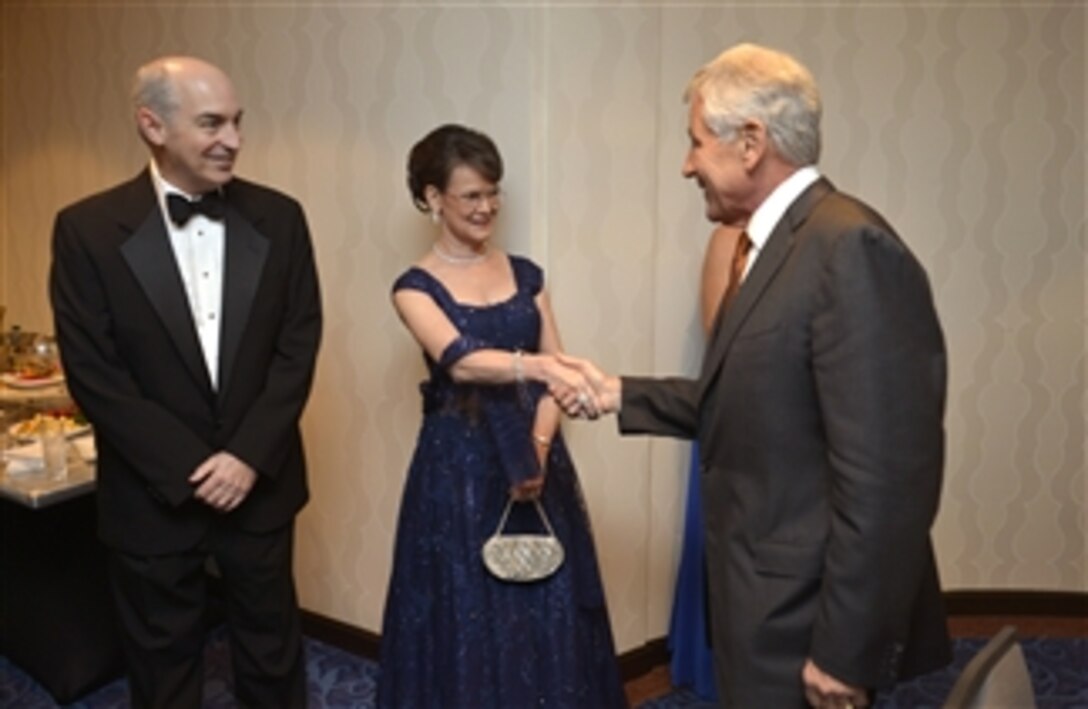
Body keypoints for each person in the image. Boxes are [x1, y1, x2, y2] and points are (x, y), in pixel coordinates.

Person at [561, 43, 951, 707]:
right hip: (758, 604)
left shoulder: (849, 247)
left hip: (807, 625)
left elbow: (888, 479)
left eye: (694, 144)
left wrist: (845, 651)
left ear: (750, 143)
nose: (687, 166)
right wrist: (619, 393)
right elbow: (756, 402)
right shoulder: (774, 245)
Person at [49, 56, 321, 708]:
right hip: (150, 493)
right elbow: (94, 371)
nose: (233, 138)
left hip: (261, 481)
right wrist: (195, 465)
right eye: (211, 122)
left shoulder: (281, 217)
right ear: (153, 125)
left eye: (236, 121)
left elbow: (298, 346)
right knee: (161, 664)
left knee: (271, 649)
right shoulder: (85, 229)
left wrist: (247, 456)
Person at [377, 124, 626, 708]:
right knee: (466, 608)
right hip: (457, 470)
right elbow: (460, 363)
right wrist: (540, 369)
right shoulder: (413, 287)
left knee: (546, 602)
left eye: (494, 192)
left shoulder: (527, 274)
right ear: (434, 198)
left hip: (535, 458)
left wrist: (537, 450)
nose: (486, 206)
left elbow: (554, 364)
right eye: (471, 195)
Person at [668, 224, 744, 702]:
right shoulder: (729, 237)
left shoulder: (821, 238)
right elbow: (724, 331)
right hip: (735, 409)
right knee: (723, 541)